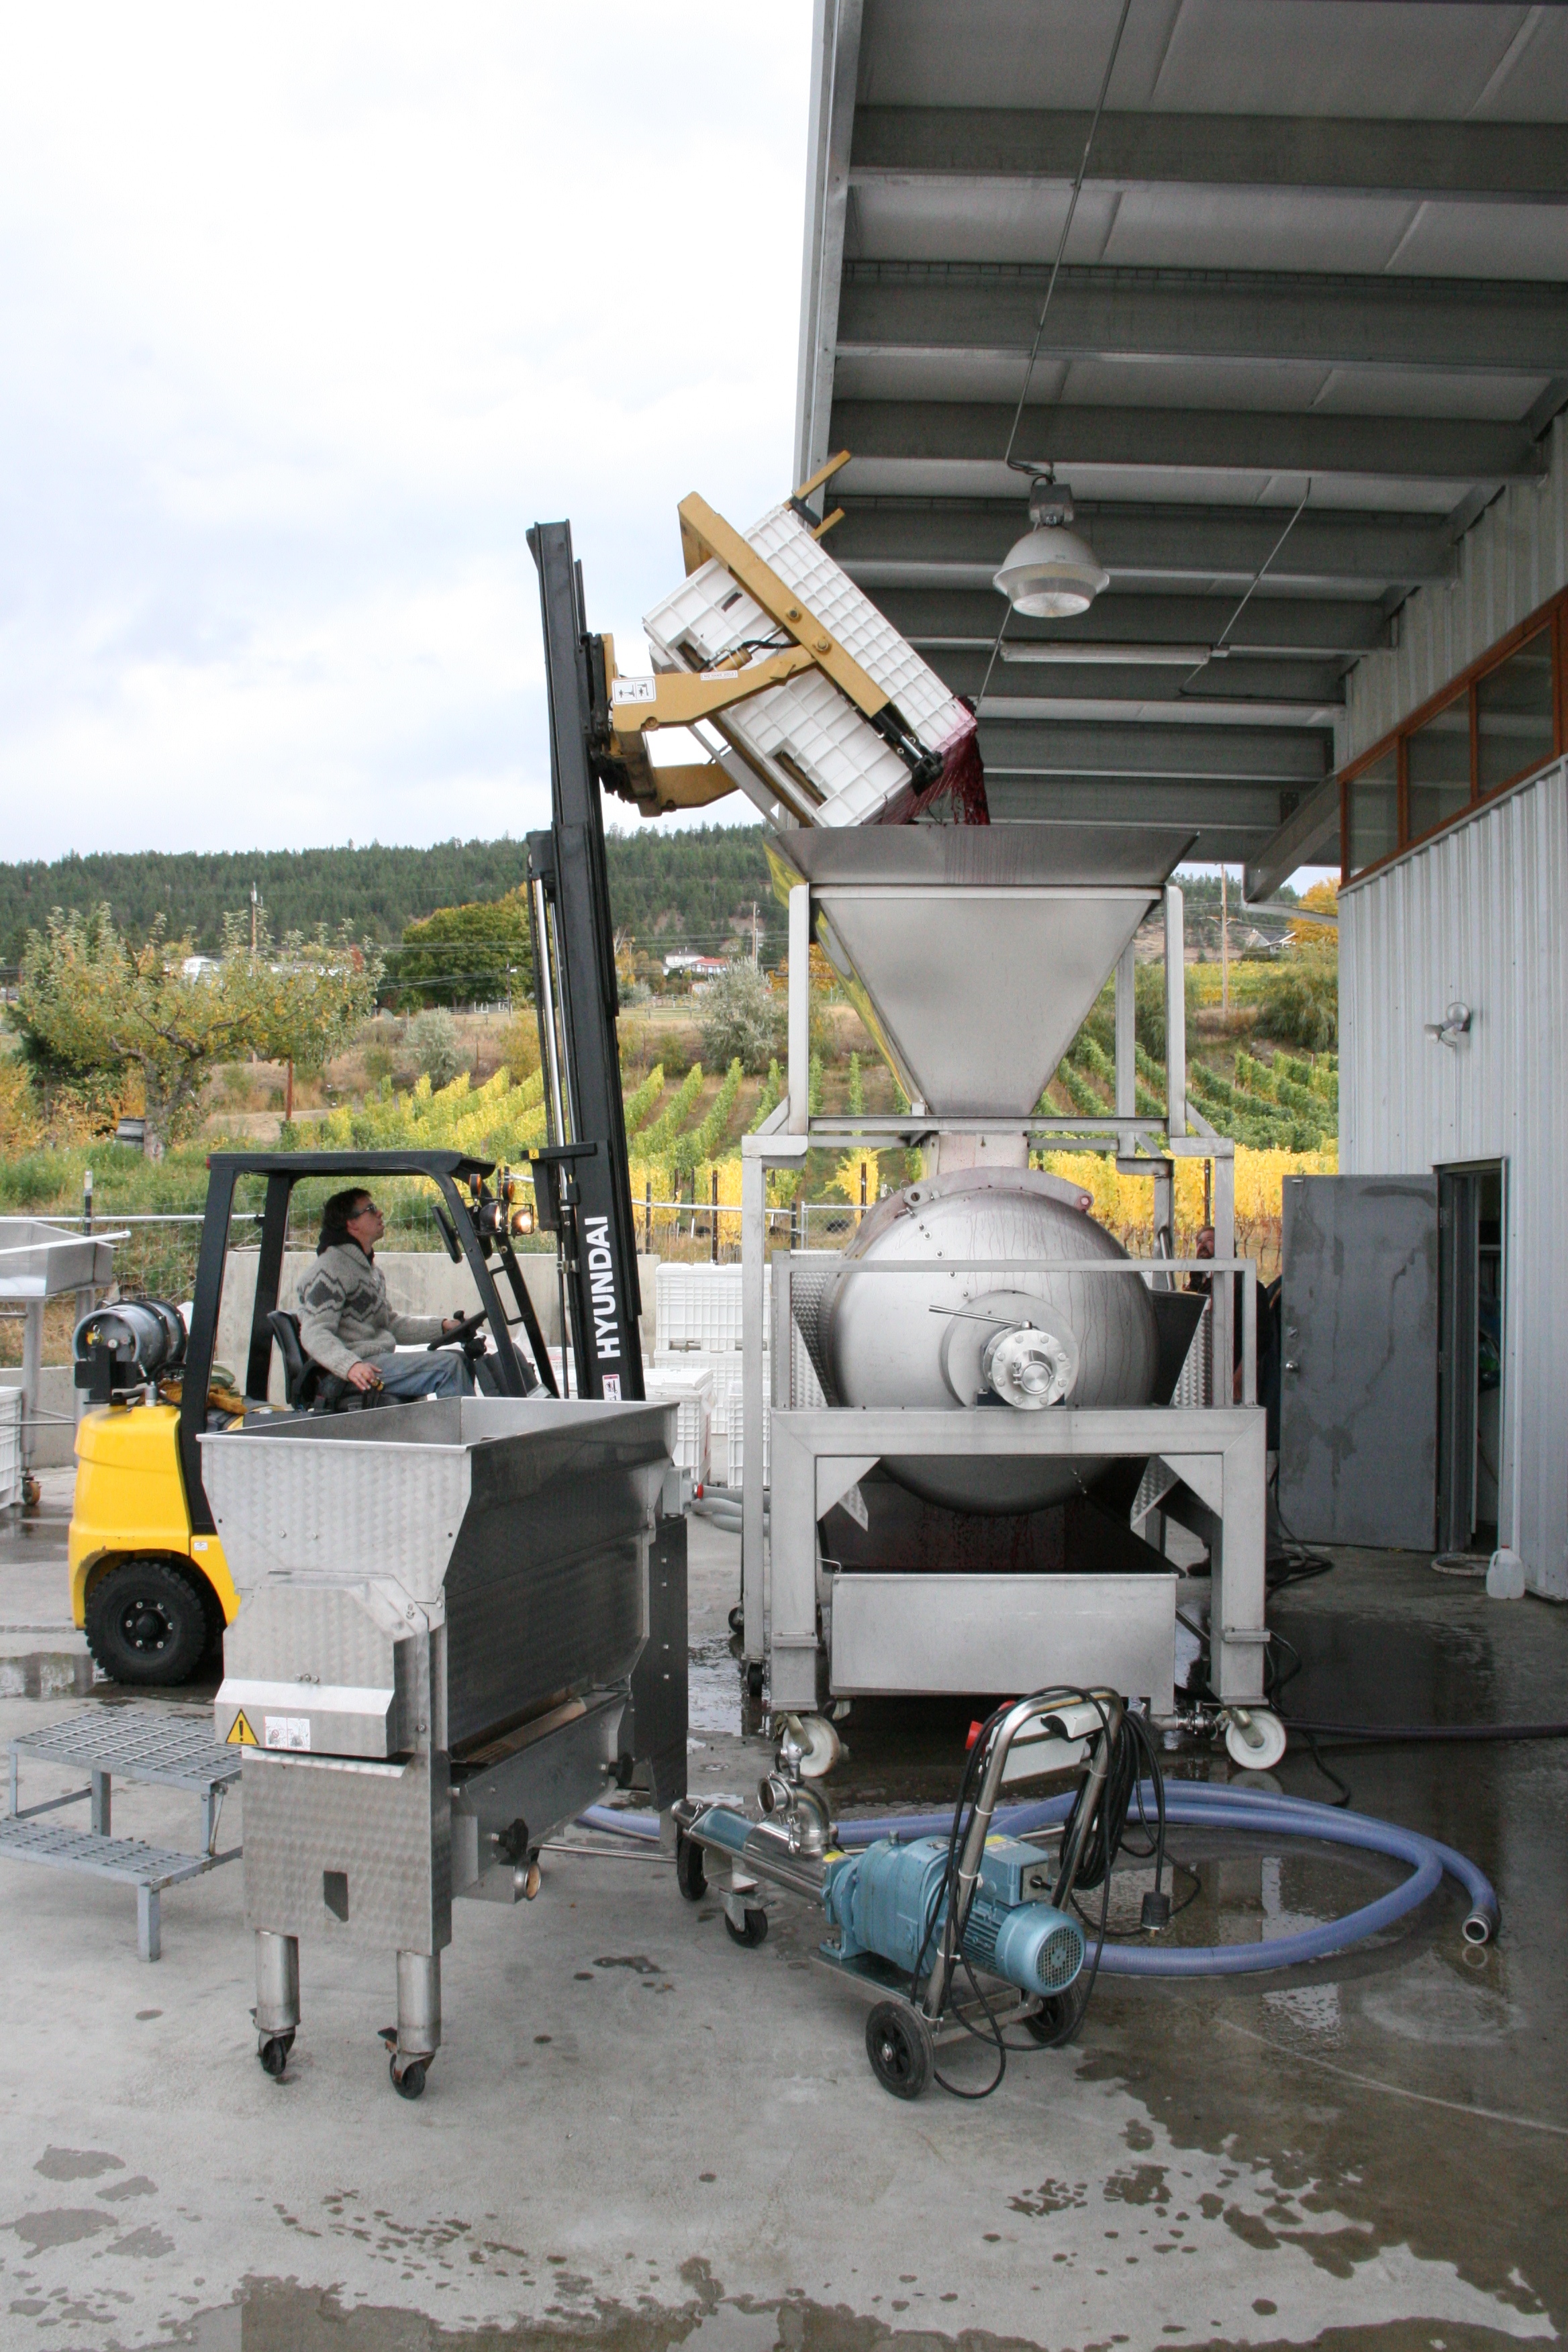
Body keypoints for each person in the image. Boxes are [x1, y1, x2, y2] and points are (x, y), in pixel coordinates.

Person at [295, 1189, 474, 1401]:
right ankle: (465, 1434)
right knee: (448, 1367)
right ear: (351, 1224)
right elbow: (314, 1332)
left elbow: (390, 1325)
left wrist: (443, 1327)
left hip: (376, 1361)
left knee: (461, 1359)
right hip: (350, 1372)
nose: (379, 1213)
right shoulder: (330, 1271)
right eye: (370, 1209)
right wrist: (350, 1365)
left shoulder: (368, 1270)